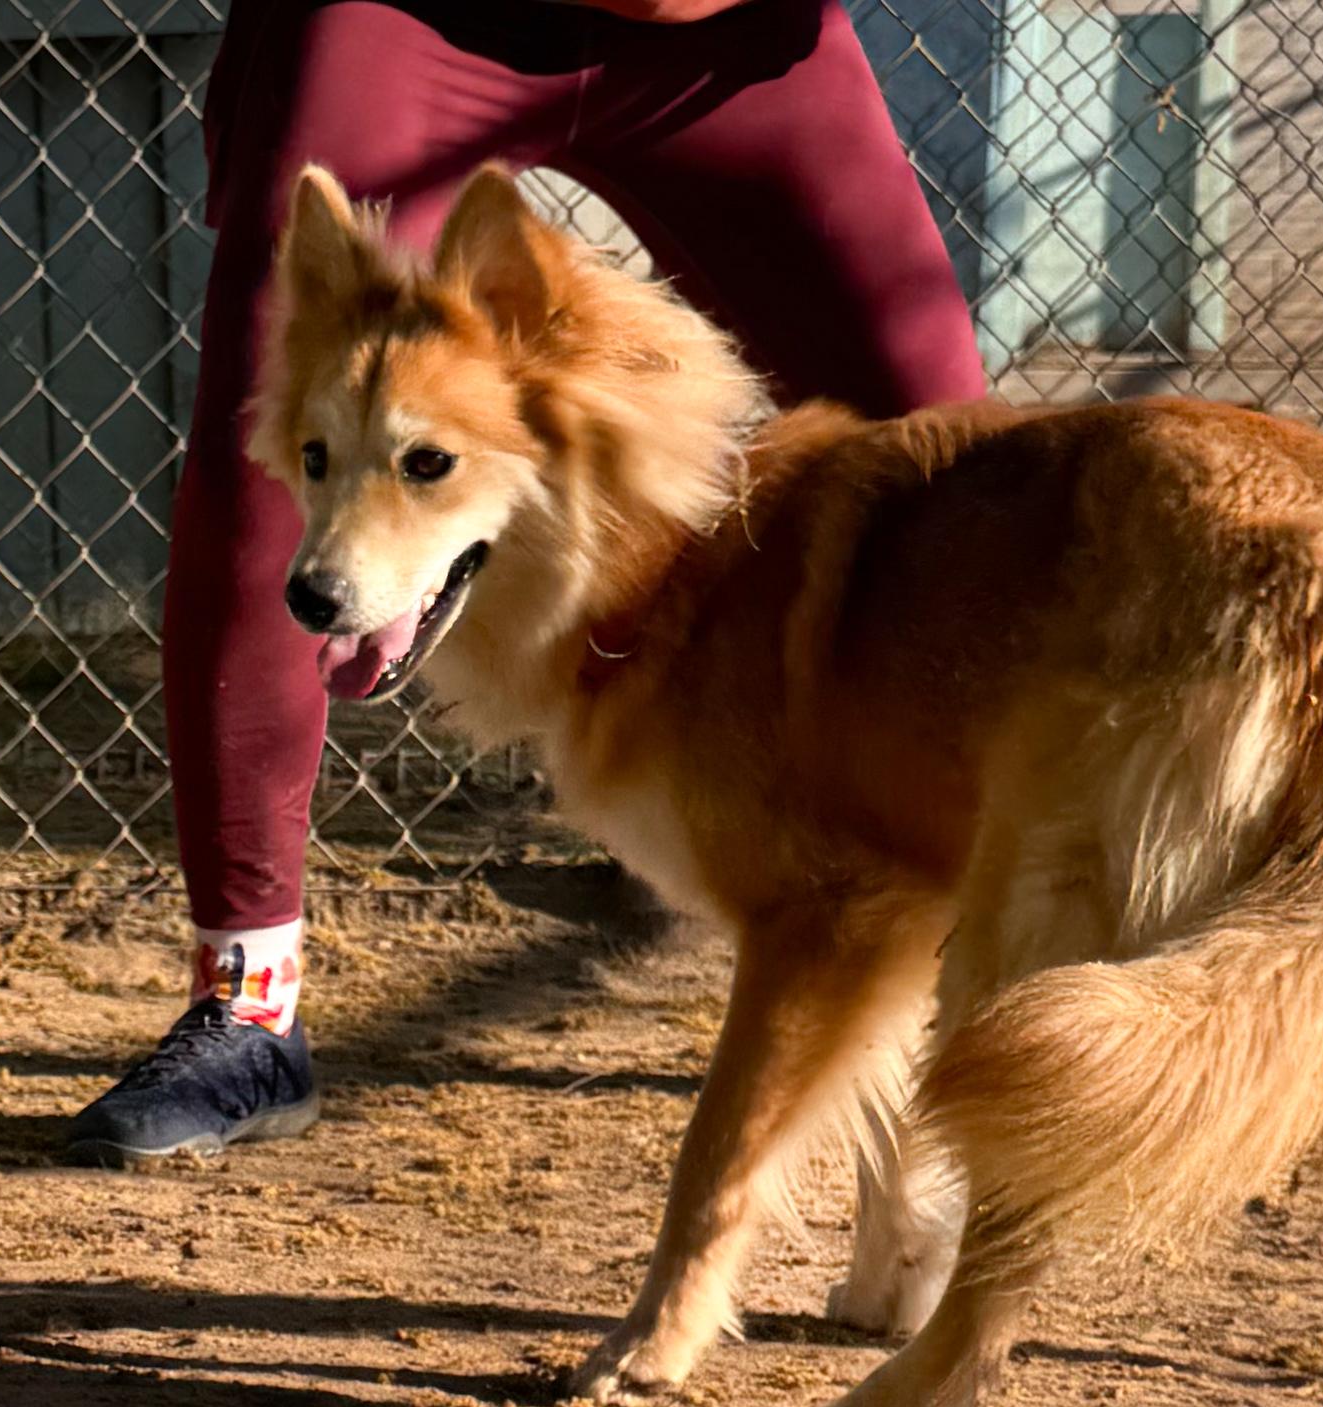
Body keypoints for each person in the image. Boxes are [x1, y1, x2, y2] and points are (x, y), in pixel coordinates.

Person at [64, 0, 986, 1164]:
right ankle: (247, 1008)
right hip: (410, 16)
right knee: (288, 444)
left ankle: (981, 953)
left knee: (954, 445)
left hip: (723, 31)